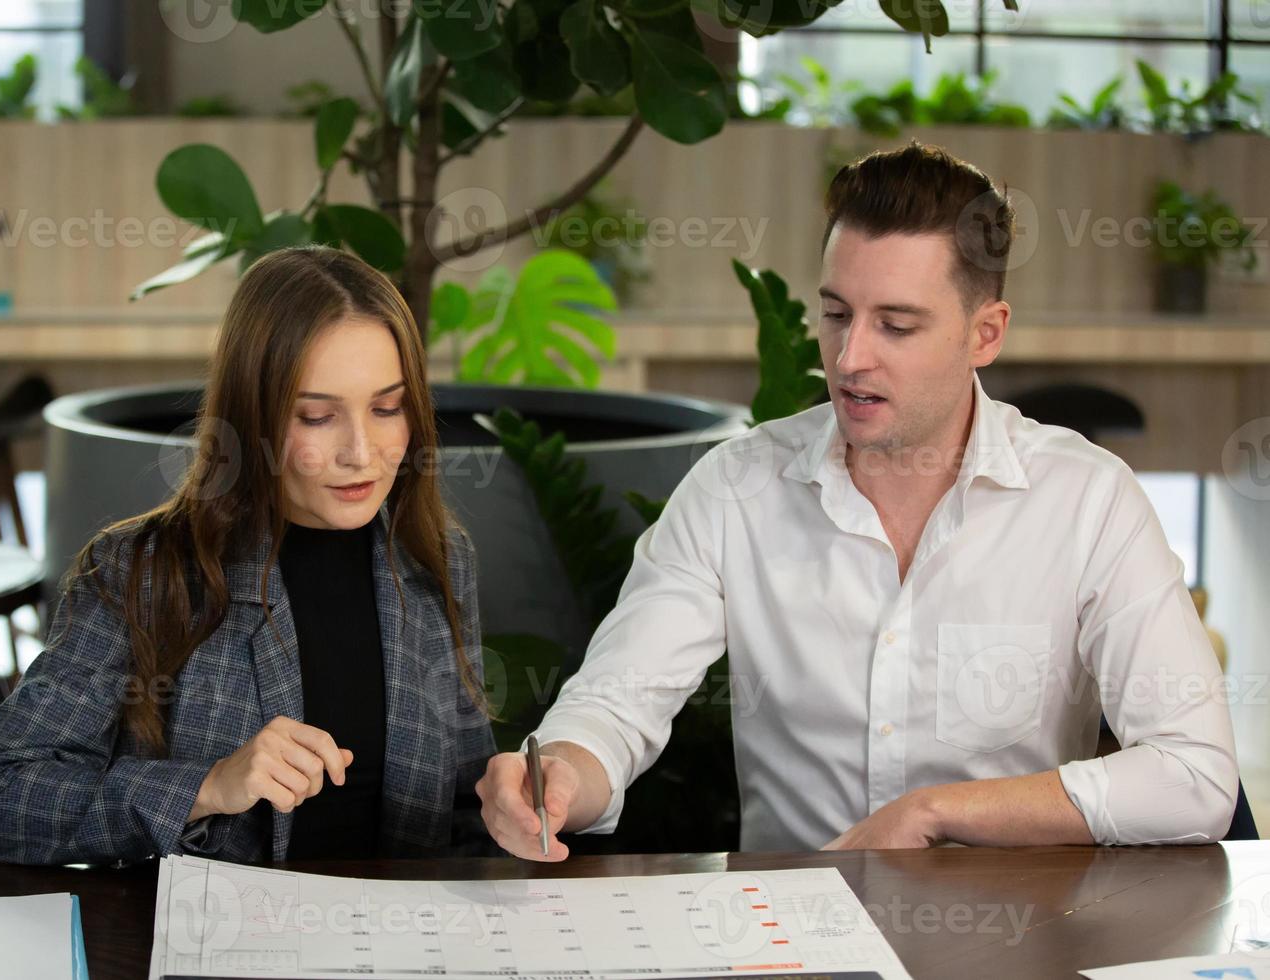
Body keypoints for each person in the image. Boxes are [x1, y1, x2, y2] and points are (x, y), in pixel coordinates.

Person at [477, 142, 1238, 858]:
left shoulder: (1088, 501)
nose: (850, 358)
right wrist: (562, 775)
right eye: (836, 314)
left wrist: (936, 813)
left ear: (985, 334)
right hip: (791, 941)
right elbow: (617, 704)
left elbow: (1196, 775)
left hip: (1017, 940)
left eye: (896, 325)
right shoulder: (736, 489)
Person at [0, 246, 493, 864]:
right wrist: (206, 788)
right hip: (221, 952)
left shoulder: (437, 562)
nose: (361, 452)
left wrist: (513, 812)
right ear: (251, 417)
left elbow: (463, 809)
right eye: (317, 417)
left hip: (395, 947)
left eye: (387, 408)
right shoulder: (138, 573)